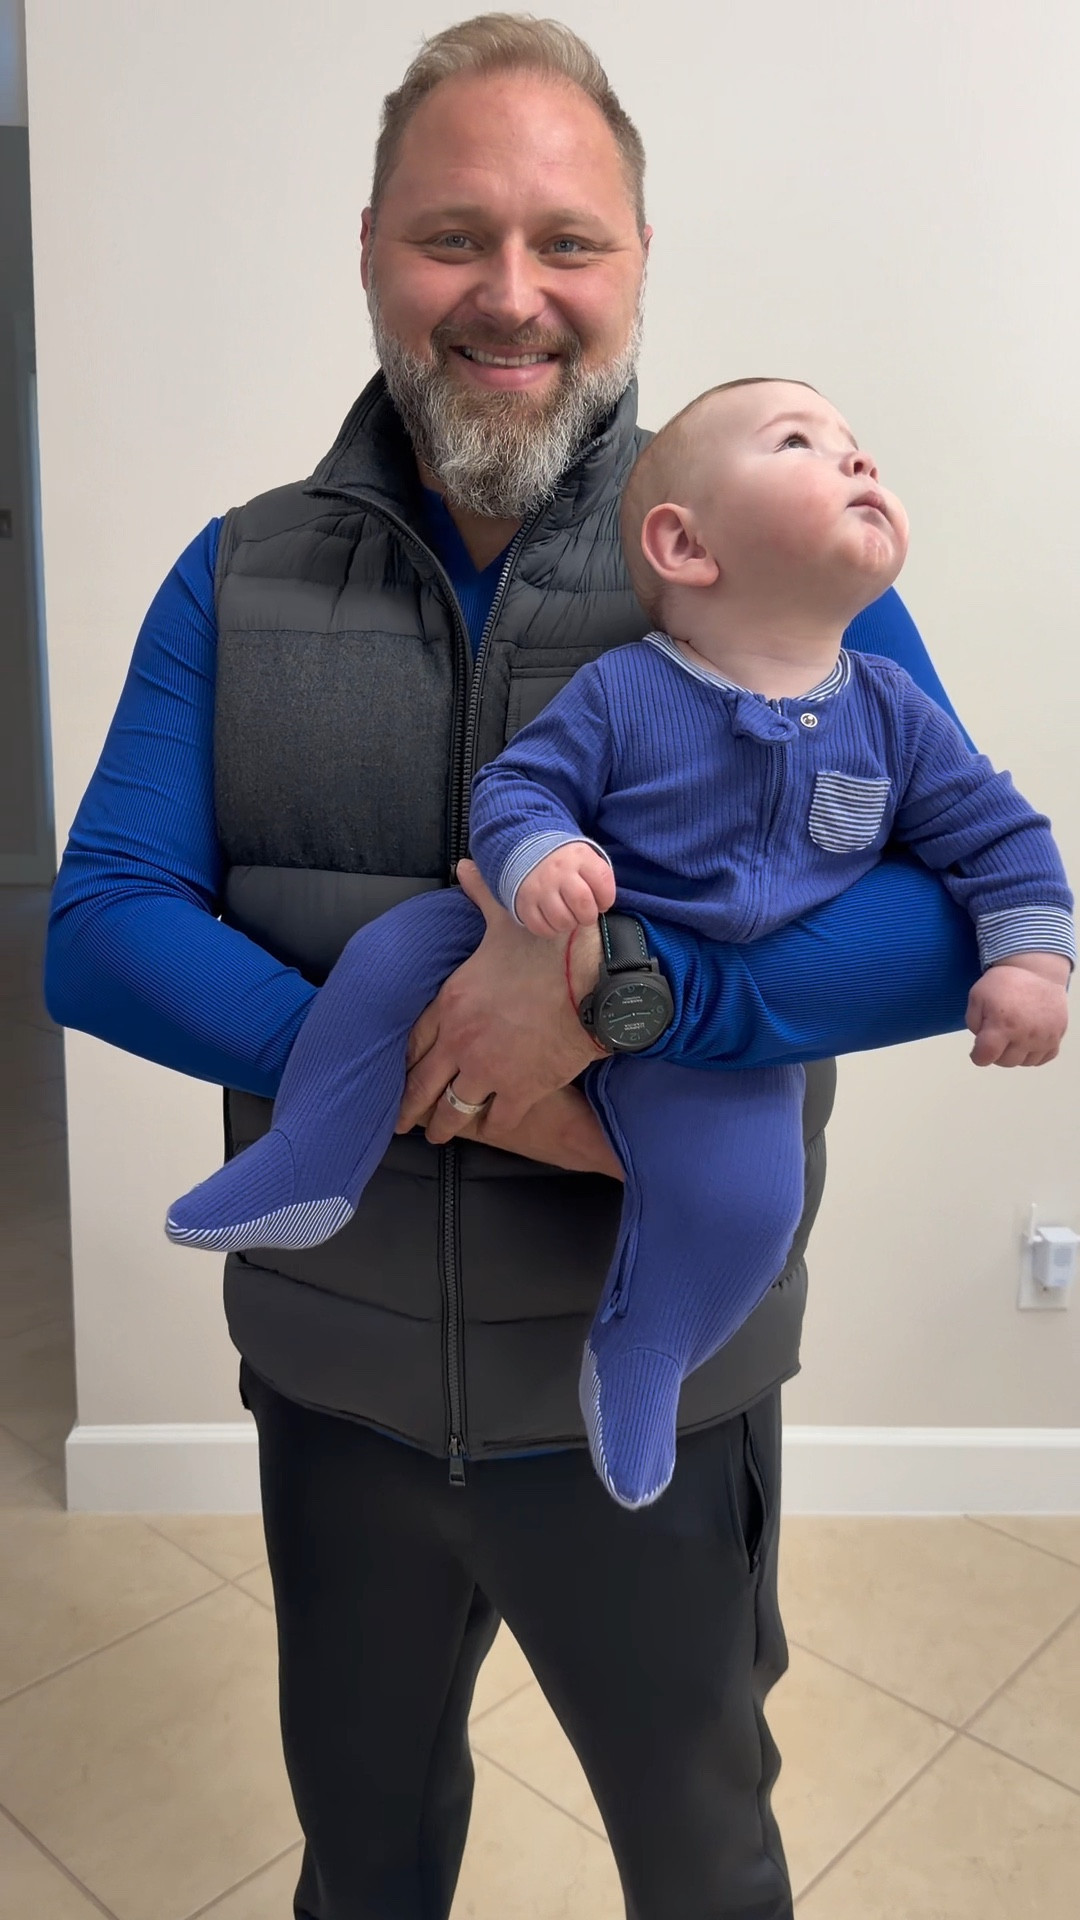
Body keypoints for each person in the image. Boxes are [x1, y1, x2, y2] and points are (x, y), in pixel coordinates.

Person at [44, 16, 997, 1919]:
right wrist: (444, 1067)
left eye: (568, 242)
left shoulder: (762, 553)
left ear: (639, 262)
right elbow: (104, 927)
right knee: (367, 1868)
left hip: (660, 1399)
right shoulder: (233, 575)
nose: (509, 295)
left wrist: (618, 1017)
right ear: (373, 247)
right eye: (450, 234)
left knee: (707, 1867)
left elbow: (953, 909)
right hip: (337, 1386)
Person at [164, 377, 1072, 1511]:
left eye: (861, 450)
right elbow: (518, 787)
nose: (858, 464)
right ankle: (312, 1156)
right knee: (389, 959)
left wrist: (1033, 960)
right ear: (686, 546)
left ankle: (647, 1347)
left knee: (750, 1202)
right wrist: (537, 855)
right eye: (803, 443)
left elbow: (1000, 839)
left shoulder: (892, 712)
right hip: (535, 930)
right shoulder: (627, 687)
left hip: (718, 1029)